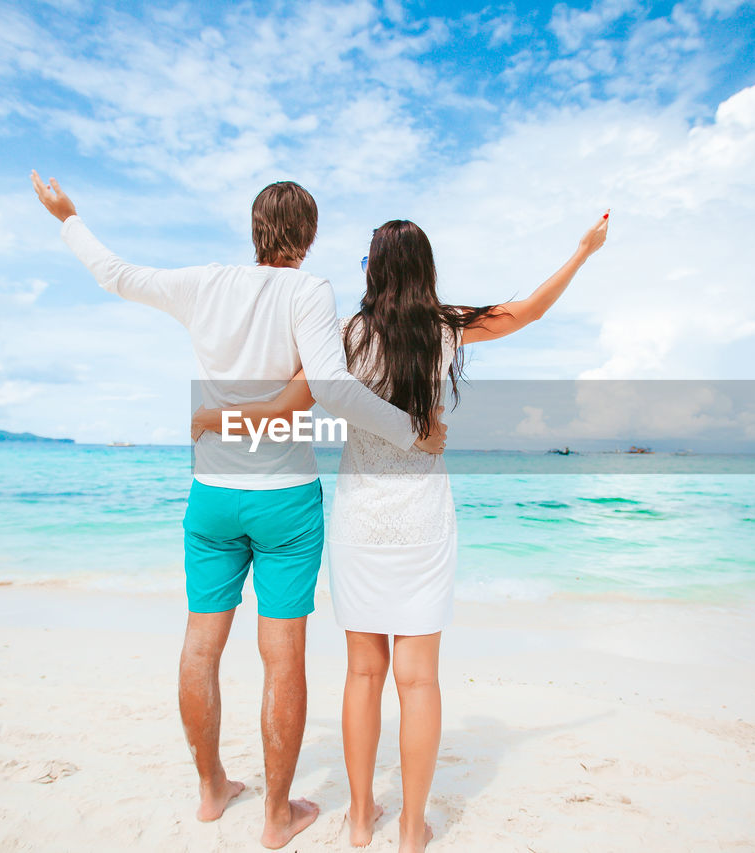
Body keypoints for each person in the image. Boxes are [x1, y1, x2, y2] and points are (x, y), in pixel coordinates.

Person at [30, 172, 447, 850]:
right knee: (282, 656)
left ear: (254, 230)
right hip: (284, 499)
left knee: (201, 641)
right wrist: (411, 430)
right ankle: (278, 816)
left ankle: (210, 789)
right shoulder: (309, 291)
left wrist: (68, 218)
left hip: (213, 493)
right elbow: (332, 387)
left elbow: (114, 274)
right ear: (307, 238)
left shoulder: (202, 283)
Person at [193, 212, 610, 851]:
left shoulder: (345, 334)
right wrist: (582, 252)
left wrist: (219, 419)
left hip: (361, 518)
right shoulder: (446, 328)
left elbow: (287, 403)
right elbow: (528, 311)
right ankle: (412, 830)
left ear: (374, 270)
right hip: (423, 519)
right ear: (426, 269)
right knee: (418, 679)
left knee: (363, 672)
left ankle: (360, 820)